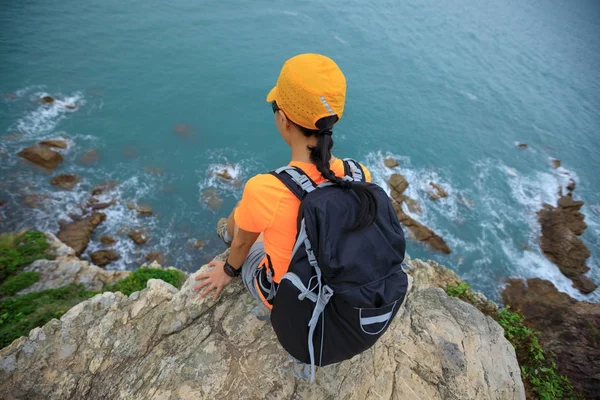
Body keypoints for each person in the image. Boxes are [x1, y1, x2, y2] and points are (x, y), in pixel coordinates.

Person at [193, 53, 374, 307]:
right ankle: (229, 229)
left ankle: (226, 232)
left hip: (295, 298)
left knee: (246, 220)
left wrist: (227, 271)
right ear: (335, 117)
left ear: (283, 118)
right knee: (261, 215)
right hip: (346, 295)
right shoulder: (359, 174)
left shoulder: (266, 188)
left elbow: (244, 245)